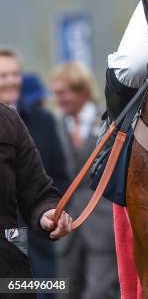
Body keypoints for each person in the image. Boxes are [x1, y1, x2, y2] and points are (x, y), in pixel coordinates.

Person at [0, 49, 70, 298]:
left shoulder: (13, 122)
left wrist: (49, 212)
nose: (11, 80)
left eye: (14, 73)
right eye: (4, 75)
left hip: (14, 264)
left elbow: (40, 189)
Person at [50, 62, 119, 299]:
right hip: (66, 227)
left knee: (99, 292)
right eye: (56, 93)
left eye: (64, 92)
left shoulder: (109, 122)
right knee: (65, 291)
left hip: (101, 224)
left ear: (82, 91)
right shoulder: (54, 126)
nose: (59, 99)